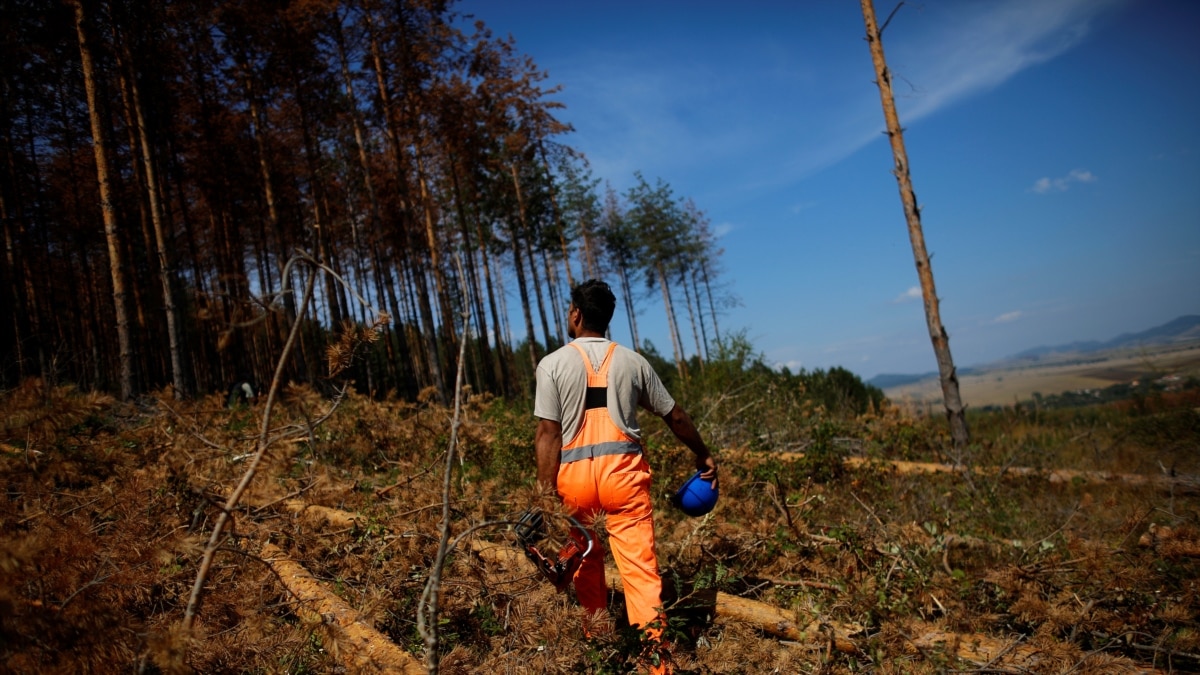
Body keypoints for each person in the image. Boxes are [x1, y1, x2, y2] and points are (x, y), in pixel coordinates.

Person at [533, 279, 718, 658]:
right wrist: (702, 454)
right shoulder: (634, 362)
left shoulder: (551, 364)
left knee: (585, 563)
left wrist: (544, 493)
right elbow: (675, 416)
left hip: (575, 483)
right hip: (624, 480)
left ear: (576, 315)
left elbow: (548, 435)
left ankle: (597, 649)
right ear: (608, 319)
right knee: (641, 576)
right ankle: (656, 664)